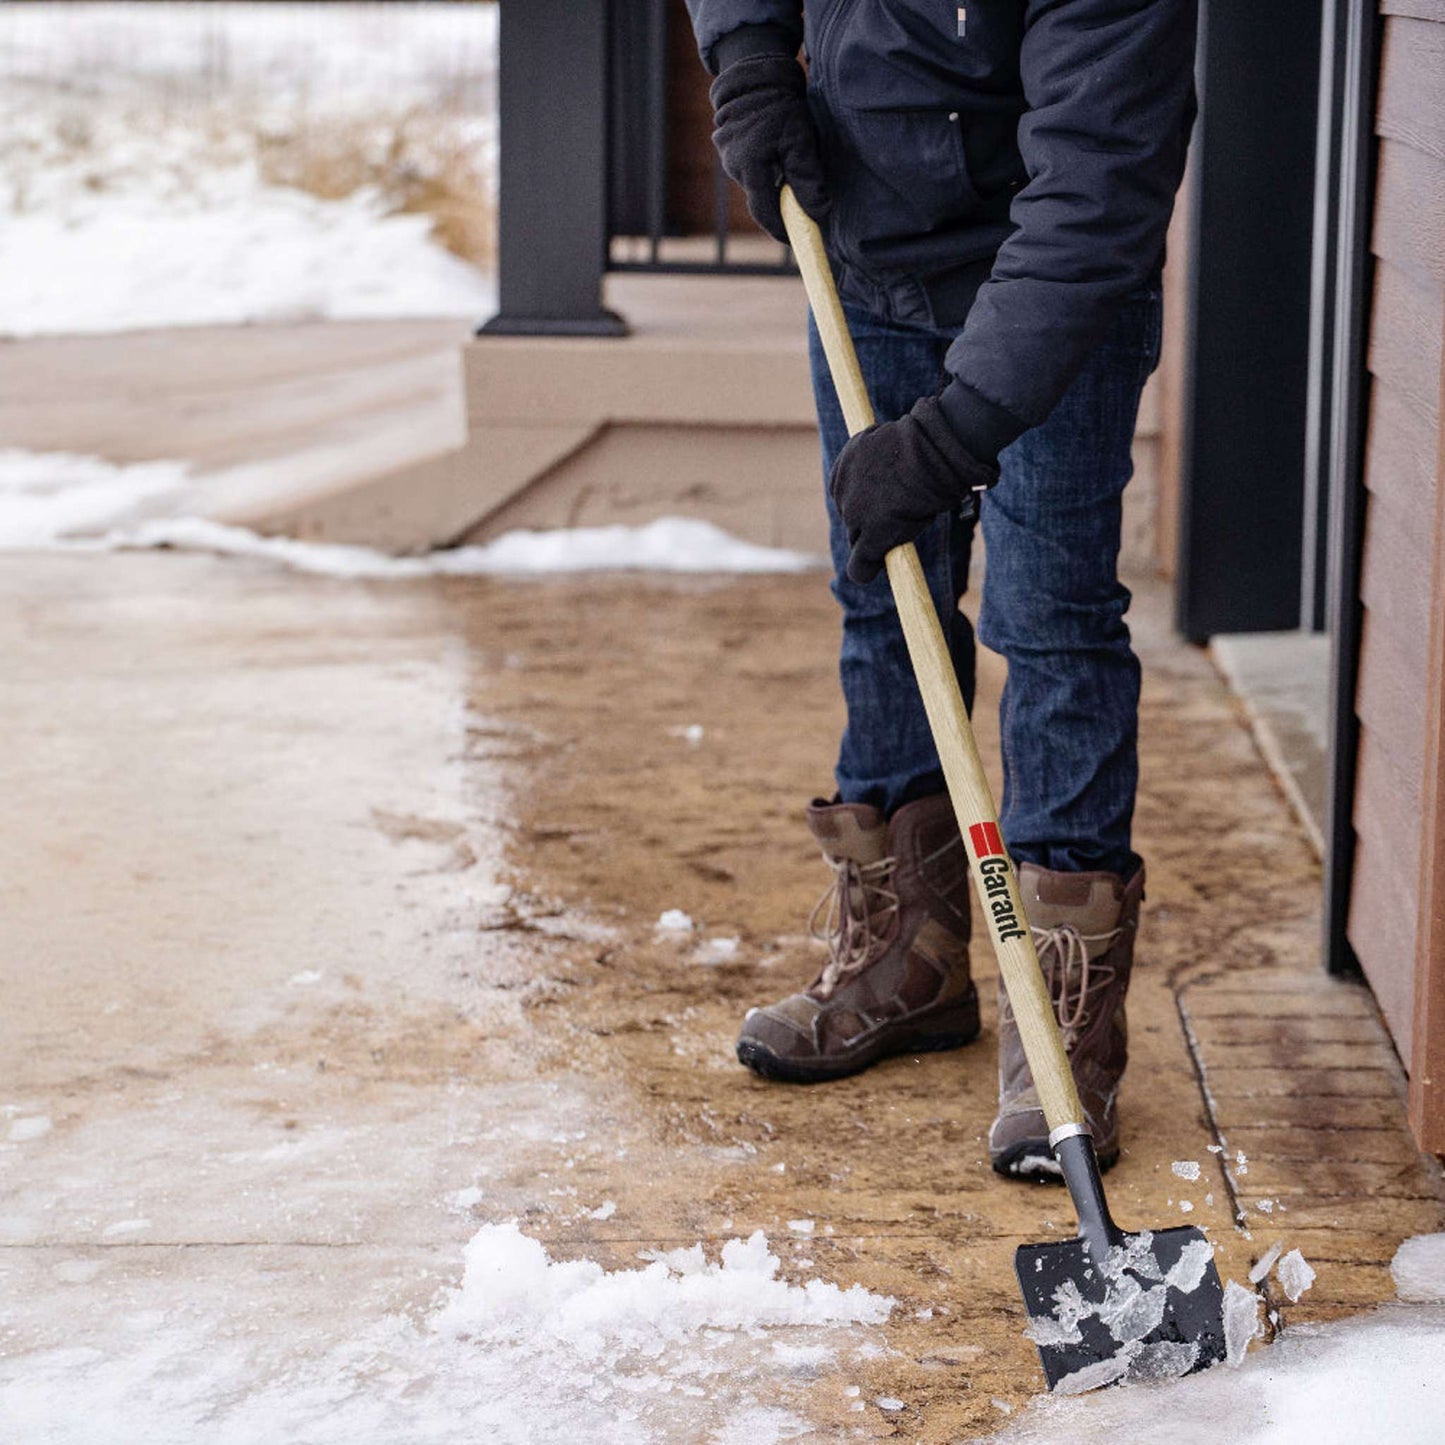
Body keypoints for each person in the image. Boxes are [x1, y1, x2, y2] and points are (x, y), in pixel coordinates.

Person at [684, 0, 1197, 1179]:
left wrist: (955, 430)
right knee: (883, 594)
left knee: (1049, 619)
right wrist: (748, 55)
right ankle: (905, 958)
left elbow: (1094, 192)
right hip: (864, 253)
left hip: (1050, 291)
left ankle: (1056, 1007)